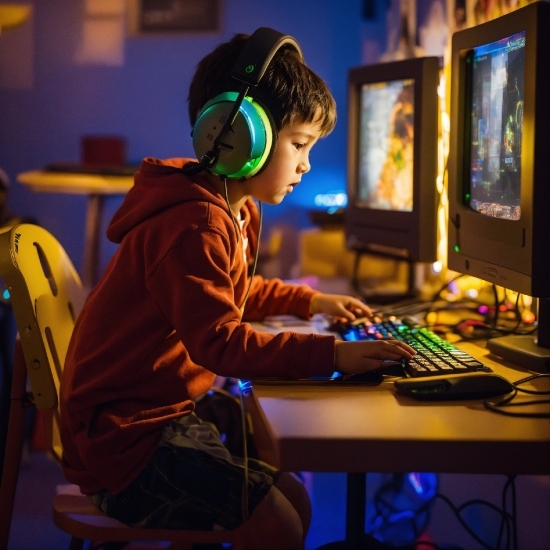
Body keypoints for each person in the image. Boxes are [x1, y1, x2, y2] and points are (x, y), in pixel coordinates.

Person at [59, 29, 415, 550]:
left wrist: (311, 301)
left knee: (294, 496)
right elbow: (220, 344)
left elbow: (236, 290)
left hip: (152, 415)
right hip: (123, 442)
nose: (306, 164)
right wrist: (333, 352)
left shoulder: (231, 208)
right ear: (238, 134)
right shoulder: (194, 223)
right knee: (279, 522)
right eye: (299, 144)